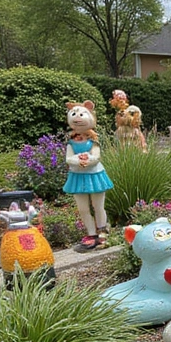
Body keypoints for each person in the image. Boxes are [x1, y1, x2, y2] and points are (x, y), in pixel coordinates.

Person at [63, 101, 113, 251]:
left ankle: (102, 230)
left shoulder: (93, 141)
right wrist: (78, 160)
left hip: (95, 175)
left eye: (81, 114)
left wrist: (87, 160)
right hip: (78, 177)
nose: (77, 117)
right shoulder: (71, 142)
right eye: (74, 114)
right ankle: (91, 234)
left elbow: (96, 157)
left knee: (98, 205)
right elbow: (68, 158)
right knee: (83, 208)